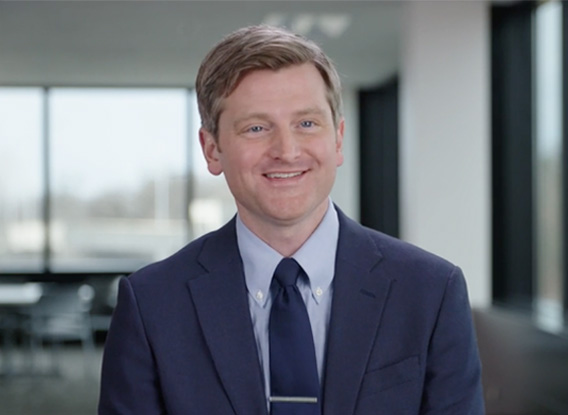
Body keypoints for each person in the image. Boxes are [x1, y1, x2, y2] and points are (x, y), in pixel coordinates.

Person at [99, 25, 484, 415]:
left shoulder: (430, 292)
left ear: (337, 139)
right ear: (212, 149)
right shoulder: (152, 305)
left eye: (306, 123)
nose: (286, 150)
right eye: (256, 128)